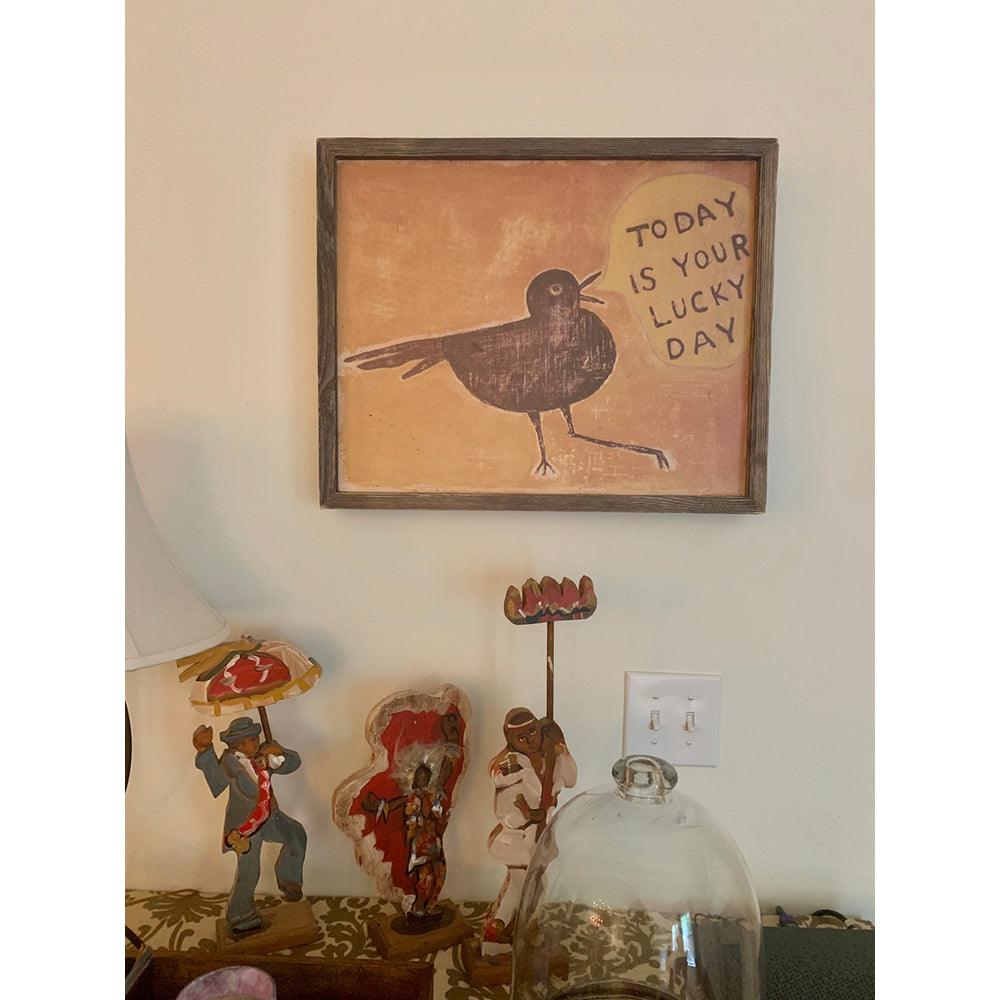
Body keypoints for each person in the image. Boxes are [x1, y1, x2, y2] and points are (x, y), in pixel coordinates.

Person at [192, 716, 307, 935]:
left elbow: (292, 764)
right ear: (239, 744)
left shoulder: (263, 756)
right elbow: (215, 785)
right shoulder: (229, 763)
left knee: (295, 833)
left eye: (257, 738)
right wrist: (205, 750)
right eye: (252, 739)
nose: (257, 742)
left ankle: (288, 879)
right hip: (245, 829)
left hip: (269, 818)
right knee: (249, 869)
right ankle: (240, 914)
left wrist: (280, 752)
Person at [482, 707, 577, 956]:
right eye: (521, 738)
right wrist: (527, 814)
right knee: (518, 885)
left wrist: (561, 746)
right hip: (518, 839)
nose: (530, 740)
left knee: (538, 885)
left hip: (542, 835)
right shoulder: (509, 768)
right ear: (510, 739)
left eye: (533, 732)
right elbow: (504, 811)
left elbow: (571, 779)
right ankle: (496, 933)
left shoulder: (550, 756)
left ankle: (523, 929)